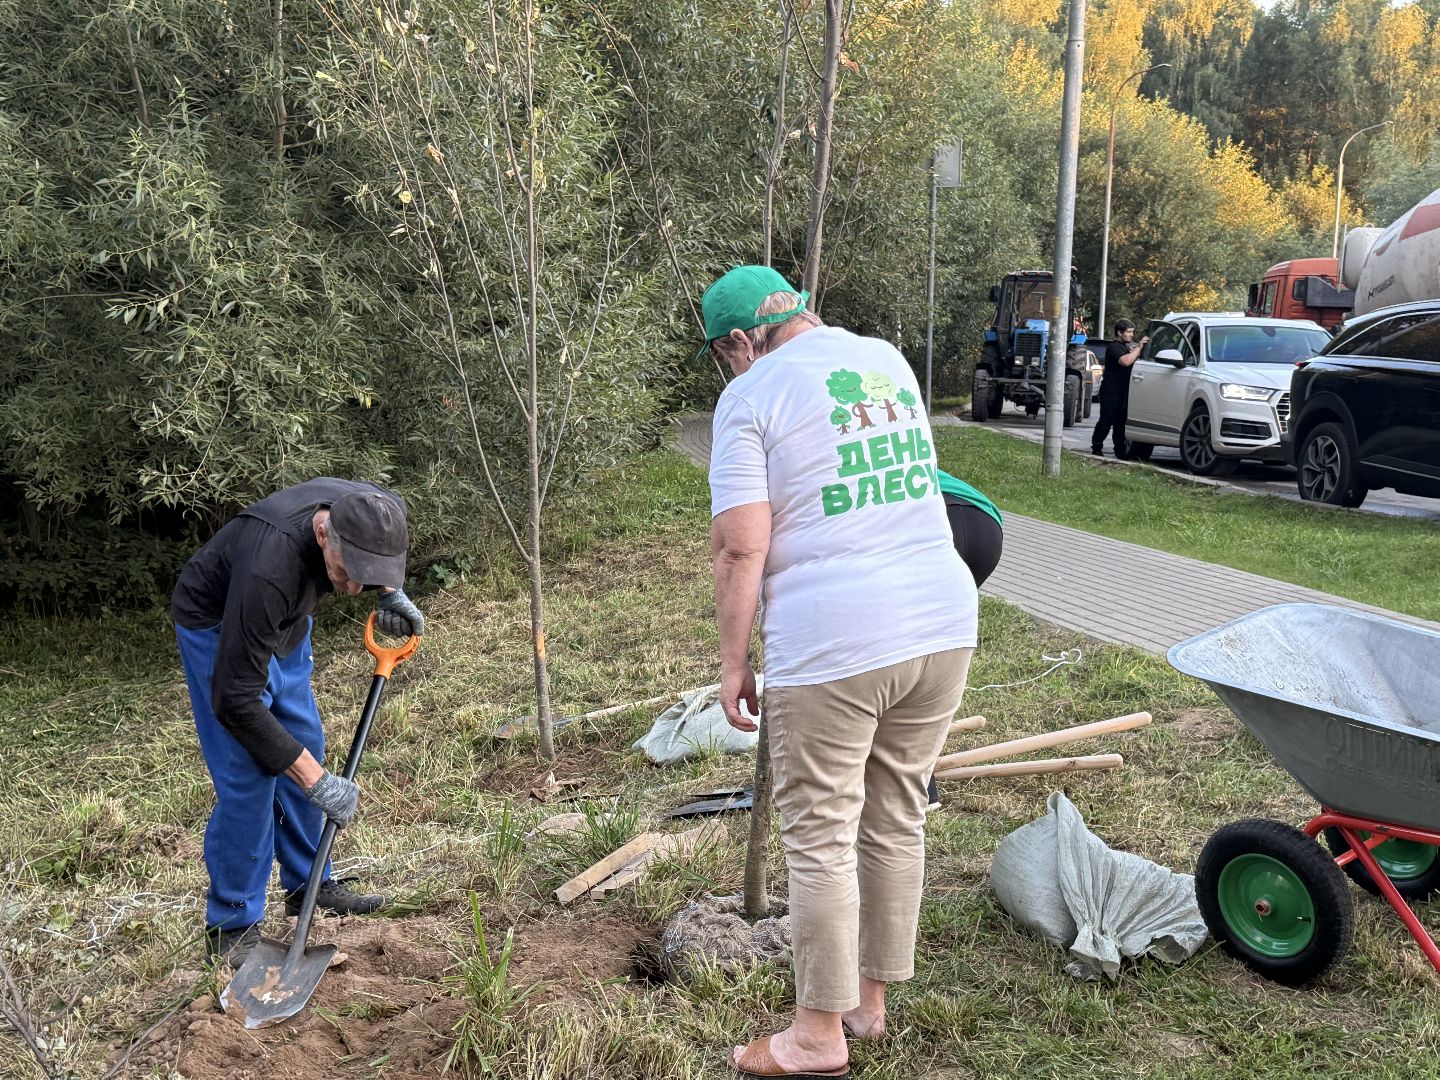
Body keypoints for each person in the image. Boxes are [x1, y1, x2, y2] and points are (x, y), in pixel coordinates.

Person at [704, 265, 977, 1079]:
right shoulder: (885, 358)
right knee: (895, 816)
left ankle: (816, 1040)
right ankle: (868, 1004)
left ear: (741, 341)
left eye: (726, 355)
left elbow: (741, 544)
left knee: (820, 837)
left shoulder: (748, 398)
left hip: (836, 642)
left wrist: (731, 661)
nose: (729, 368)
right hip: (942, 620)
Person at [171, 478, 425, 966]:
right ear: (325, 534)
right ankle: (232, 925)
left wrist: (388, 591)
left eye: (366, 576)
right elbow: (235, 700)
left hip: (284, 619)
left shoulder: (380, 509)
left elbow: (377, 550)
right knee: (253, 773)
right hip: (221, 622)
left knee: (304, 739)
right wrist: (316, 781)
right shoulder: (271, 566)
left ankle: (312, 884)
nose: (353, 589)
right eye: (349, 573)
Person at [926, 470, 1003, 810]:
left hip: (936, 525)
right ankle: (917, 780)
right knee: (930, 652)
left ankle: (918, 786)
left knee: (896, 657)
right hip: (985, 523)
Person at [1091, 319, 1148, 458]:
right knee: (1106, 420)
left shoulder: (1127, 346)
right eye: (1128, 332)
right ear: (1119, 332)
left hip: (1124, 392)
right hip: (1111, 391)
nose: (1131, 335)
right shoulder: (1114, 347)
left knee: (1120, 423)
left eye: (1132, 332)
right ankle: (1097, 447)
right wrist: (1139, 347)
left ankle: (1120, 451)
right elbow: (1126, 361)